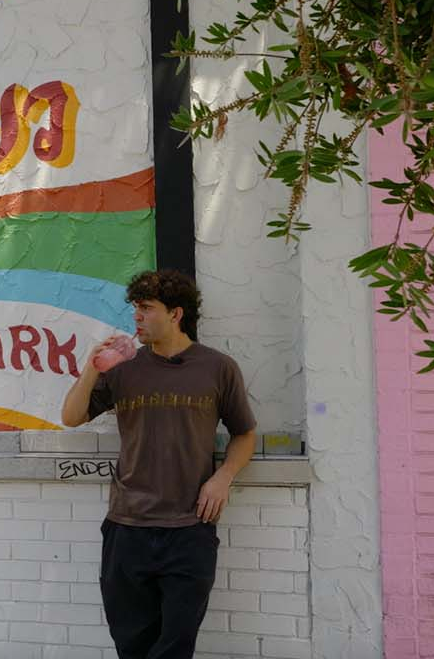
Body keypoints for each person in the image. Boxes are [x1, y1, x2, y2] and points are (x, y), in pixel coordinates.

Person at [60, 269, 257, 659]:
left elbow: (244, 433)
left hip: (189, 530)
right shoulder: (123, 369)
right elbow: (71, 416)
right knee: (132, 645)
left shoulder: (217, 368)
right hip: (127, 528)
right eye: (135, 308)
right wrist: (92, 367)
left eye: (147, 308)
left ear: (176, 314)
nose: (137, 317)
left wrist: (223, 478)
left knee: (175, 647)